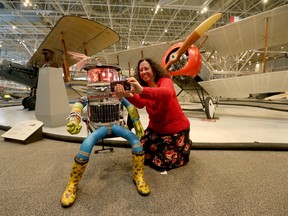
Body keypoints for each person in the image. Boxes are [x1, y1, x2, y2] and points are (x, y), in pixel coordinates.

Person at [60, 64, 150, 208]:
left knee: (136, 142)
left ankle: (138, 176)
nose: (102, 77)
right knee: (86, 146)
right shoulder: (89, 96)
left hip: (116, 126)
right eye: (96, 74)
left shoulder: (119, 94)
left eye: (107, 74)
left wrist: (136, 120)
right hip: (98, 128)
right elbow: (78, 106)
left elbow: (131, 106)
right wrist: (74, 118)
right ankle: (72, 184)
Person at [114, 58, 191, 171]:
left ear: (154, 70)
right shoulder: (145, 88)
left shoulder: (165, 80)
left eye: (146, 68)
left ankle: (183, 145)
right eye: (141, 70)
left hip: (174, 131)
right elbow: (140, 103)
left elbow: (166, 94)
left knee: (160, 163)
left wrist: (141, 91)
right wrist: (126, 94)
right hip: (155, 130)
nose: (143, 72)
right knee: (141, 152)